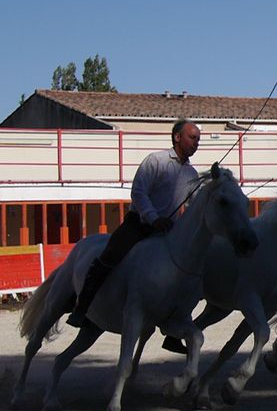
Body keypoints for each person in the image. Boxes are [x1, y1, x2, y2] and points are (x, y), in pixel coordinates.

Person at [66, 118, 202, 327]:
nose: (196, 143)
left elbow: (195, 205)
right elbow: (138, 192)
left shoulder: (192, 175)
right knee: (109, 257)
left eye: (198, 139)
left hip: (166, 231)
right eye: (192, 138)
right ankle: (82, 307)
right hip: (138, 225)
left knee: (189, 273)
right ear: (177, 137)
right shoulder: (156, 161)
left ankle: (178, 322)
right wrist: (154, 218)